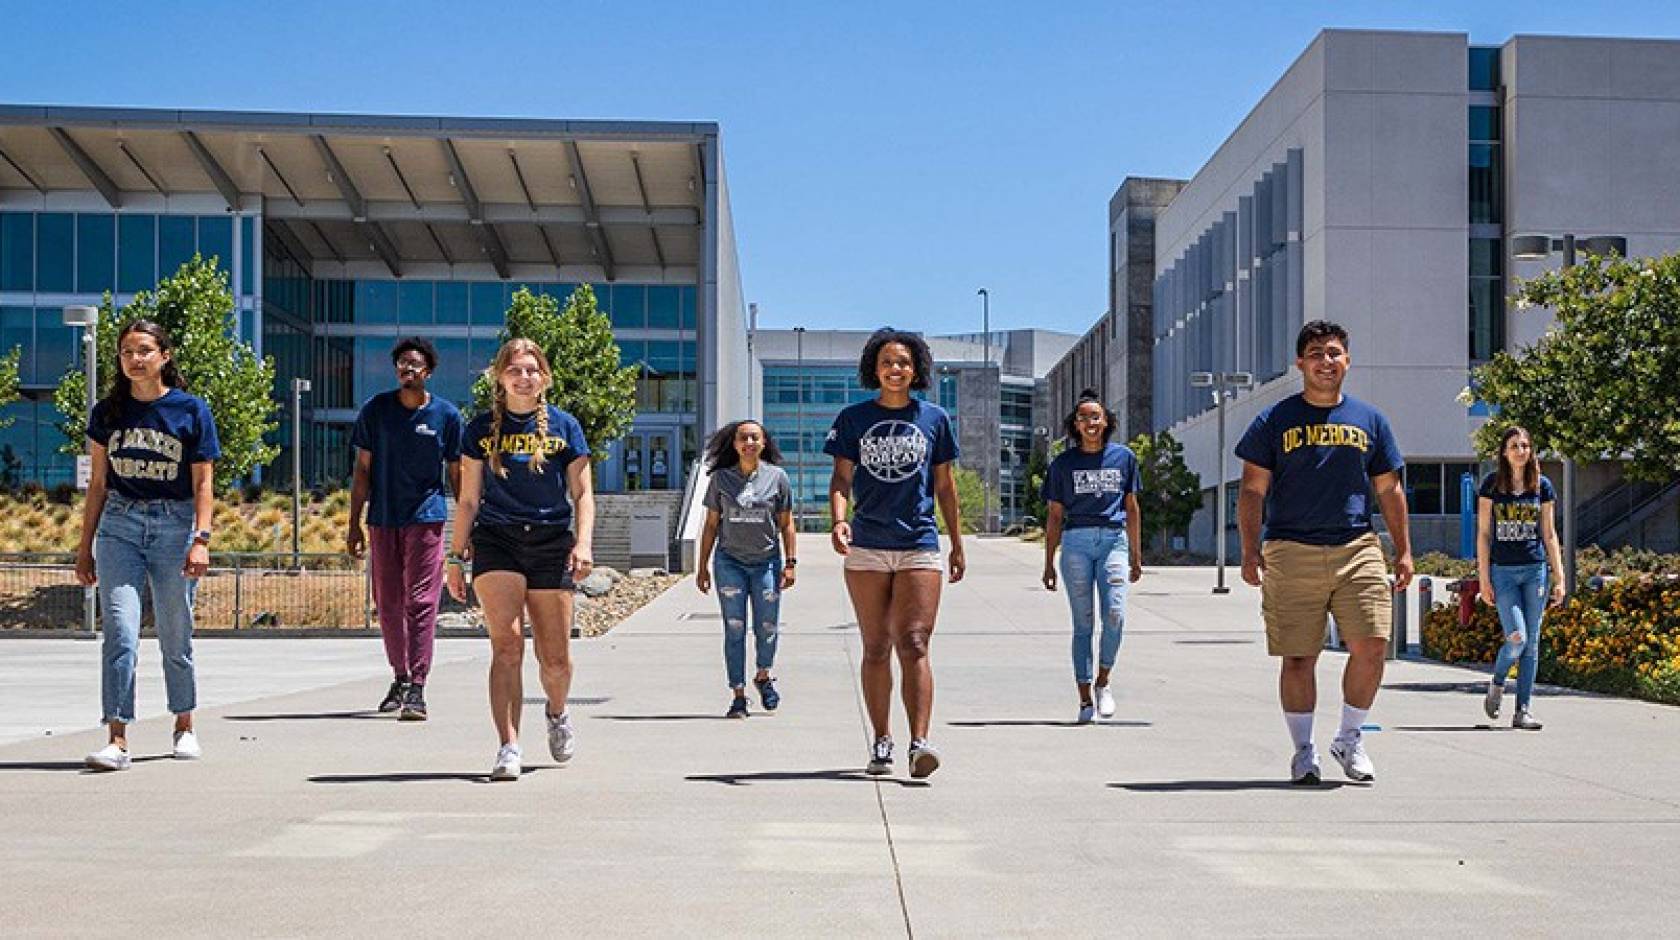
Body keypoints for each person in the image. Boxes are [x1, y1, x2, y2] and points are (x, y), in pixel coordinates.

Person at [1236, 320, 1411, 785]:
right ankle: (1304, 751)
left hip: (1357, 546)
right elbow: (1253, 490)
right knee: (1298, 658)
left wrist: (1405, 552)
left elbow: (1390, 490)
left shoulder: (1370, 419)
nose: (1325, 361)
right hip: (1290, 549)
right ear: (1300, 363)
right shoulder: (1274, 420)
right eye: (1315, 353)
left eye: (1334, 352)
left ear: (1347, 360)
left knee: (1372, 647)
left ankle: (1349, 739)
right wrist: (1250, 551)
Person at [445, 339, 595, 781]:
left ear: (544, 378)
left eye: (531, 370)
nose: (523, 377)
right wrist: (455, 557)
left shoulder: (565, 427)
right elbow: (468, 499)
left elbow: (583, 493)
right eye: (514, 369)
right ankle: (508, 745)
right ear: (499, 376)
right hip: (498, 541)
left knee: (555, 660)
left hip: (551, 542)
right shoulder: (478, 431)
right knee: (507, 645)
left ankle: (557, 712)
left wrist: (582, 544)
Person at [75, 320, 220, 771]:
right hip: (119, 525)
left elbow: (203, 484)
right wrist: (85, 547)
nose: (134, 360)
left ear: (165, 355)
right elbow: (98, 484)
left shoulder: (190, 410)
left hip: (175, 526)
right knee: (119, 633)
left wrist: (201, 539)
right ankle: (117, 738)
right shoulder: (108, 413)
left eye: (143, 351)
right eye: (125, 353)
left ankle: (184, 725)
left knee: (176, 635)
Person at [825, 328, 964, 780]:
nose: (895, 369)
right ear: (874, 368)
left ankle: (919, 742)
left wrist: (957, 542)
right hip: (867, 545)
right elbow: (841, 480)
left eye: (903, 362)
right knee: (876, 646)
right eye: (887, 361)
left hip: (919, 543)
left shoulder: (934, 419)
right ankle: (882, 740)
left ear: (916, 368)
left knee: (915, 642)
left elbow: (944, 485)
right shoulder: (853, 419)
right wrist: (839, 518)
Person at [346, 337, 464, 721]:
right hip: (383, 518)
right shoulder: (376, 411)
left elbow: (457, 472)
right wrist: (353, 525)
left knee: (421, 601)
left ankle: (418, 685)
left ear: (428, 372)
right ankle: (400, 677)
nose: (407, 369)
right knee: (388, 604)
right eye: (401, 364)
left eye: (414, 364)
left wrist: (466, 525)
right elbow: (362, 471)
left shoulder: (445, 416)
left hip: (426, 518)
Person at [1040, 389, 1144, 723]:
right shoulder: (1063, 464)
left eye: (1095, 416)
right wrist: (1048, 564)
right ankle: (1085, 699)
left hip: (1114, 541)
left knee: (1115, 614)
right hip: (1076, 544)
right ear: (1075, 424)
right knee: (1083, 623)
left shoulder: (1124, 458)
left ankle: (1103, 681)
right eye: (1083, 417)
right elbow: (1054, 515)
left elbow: (1132, 508)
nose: (1090, 422)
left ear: (1106, 421)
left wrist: (1137, 554)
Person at [695, 420, 797, 718]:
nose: (749, 442)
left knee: (767, 626)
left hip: (766, 561)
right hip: (730, 562)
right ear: (735, 444)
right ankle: (738, 694)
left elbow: (787, 524)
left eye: (755, 437)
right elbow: (711, 525)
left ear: (764, 443)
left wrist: (790, 563)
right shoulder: (720, 480)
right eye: (743, 438)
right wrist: (701, 567)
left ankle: (763, 676)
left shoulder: (777, 478)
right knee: (734, 627)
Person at [1477, 425, 1563, 731]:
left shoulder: (1542, 487)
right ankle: (1498, 683)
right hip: (1503, 573)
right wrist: (1484, 578)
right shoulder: (1491, 486)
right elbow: (1484, 534)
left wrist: (1560, 575)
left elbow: (1549, 534)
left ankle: (1523, 710)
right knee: (1517, 638)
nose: (1520, 450)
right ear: (1504, 451)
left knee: (1531, 643)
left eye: (1525, 445)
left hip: (1535, 570)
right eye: (1514, 445)